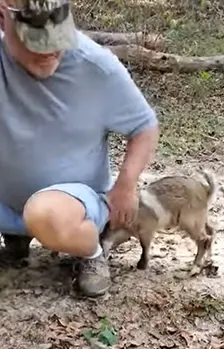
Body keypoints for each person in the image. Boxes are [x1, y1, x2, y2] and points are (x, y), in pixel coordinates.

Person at [0, 0, 159, 297]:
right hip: (5, 199)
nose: (50, 52)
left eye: (58, 38)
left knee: (45, 213)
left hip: (71, 203)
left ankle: (92, 250)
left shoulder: (96, 67)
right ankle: (16, 236)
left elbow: (144, 126)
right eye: (37, 41)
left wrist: (126, 185)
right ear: (2, 20)